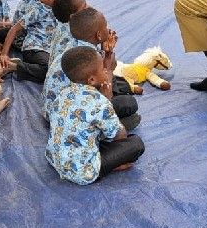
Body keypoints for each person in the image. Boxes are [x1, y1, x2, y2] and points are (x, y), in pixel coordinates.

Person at [46, 46, 145, 184]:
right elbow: (120, 137)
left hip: (55, 157)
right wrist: (107, 101)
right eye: (102, 68)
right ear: (91, 80)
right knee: (136, 144)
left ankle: (112, 127)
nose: (106, 70)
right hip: (82, 171)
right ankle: (109, 167)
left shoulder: (64, 92)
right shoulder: (99, 103)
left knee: (121, 114)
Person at [2, 0, 64, 83]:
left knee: (61, 70)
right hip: (34, 49)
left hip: (49, 49)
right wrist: (4, 54)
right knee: (49, 70)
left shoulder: (61, 8)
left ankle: (23, 66)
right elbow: (14, 29)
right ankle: (13, 66)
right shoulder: (37, 10)